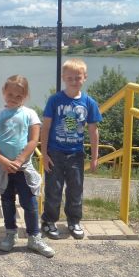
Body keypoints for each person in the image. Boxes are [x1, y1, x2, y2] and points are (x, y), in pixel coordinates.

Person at [0, 75, 55, 257]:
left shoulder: (30, 114)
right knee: (7, 201)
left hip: (23, 168)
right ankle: (10, 234)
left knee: (29, 202)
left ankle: (34, 237)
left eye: (19, 96)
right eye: (10, 94)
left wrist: (19, 161)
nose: (14, 98)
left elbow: (33, 140)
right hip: (2, 167)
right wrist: (3, 160)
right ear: (3, 92)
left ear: (25, 96)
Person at [40, 58, 102, 240]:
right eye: (70, 78)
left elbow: (93, 131)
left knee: (75, 189)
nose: (74, 81)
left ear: (85, 77)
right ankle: (49, 221)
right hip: (55, 152)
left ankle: (74, 221)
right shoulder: (55, 100)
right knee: (53, 189)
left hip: (76, 153)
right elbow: (46, 127)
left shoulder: (89, 102)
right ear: (63, 78)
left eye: (78, 77)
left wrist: (95, 157)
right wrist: (44, 154)